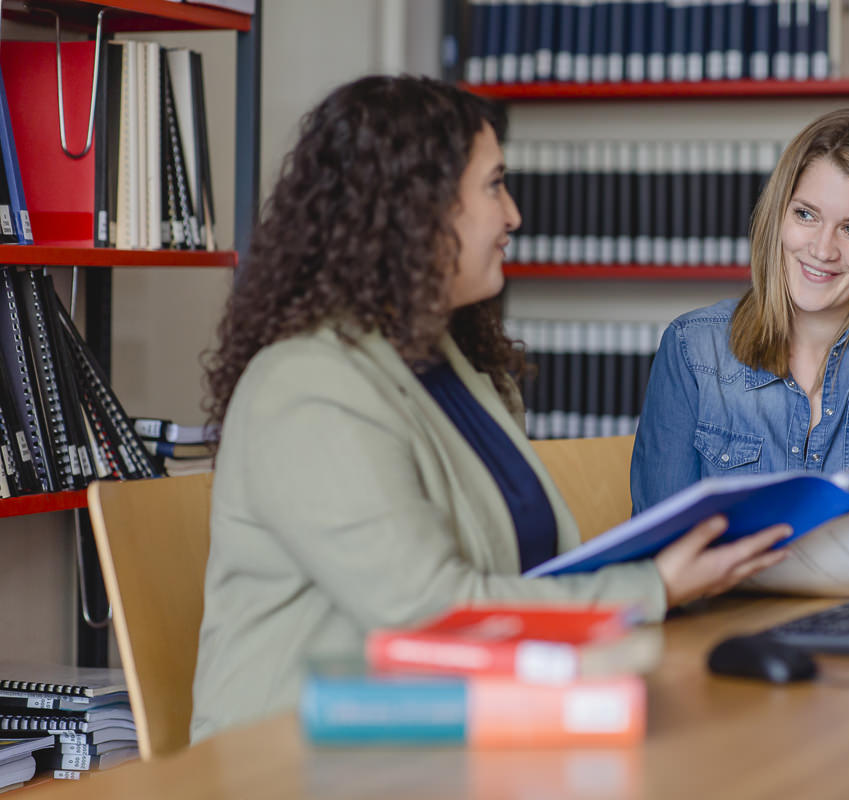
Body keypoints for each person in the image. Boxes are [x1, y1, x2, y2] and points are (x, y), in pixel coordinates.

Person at [189, 75, 791, 741]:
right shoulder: (305, 387)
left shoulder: (453, 361)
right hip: (293, 755)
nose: (514, 216)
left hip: (449, 726)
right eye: (493, 186)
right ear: (417, 209)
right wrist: (653, 587)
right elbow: (429, 611)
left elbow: (524, 570)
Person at [630, 108, 849, 559]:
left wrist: (830, 541)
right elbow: (658, 546)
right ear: (778, 216)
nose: (822, 250)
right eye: (805, 215)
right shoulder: (692, 347)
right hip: (732, 617)